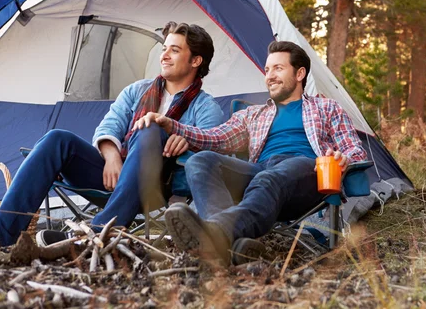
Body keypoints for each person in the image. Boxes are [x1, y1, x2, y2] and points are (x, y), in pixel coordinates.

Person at [134, 40, 367, 265]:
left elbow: (355, 149)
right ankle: (226, 244)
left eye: (278, 68)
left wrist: (343, 158)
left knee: (269, 176)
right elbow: (216, 137)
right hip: (261, 176)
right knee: (201, 161)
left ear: (299, 74)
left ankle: (217, 233)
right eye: (267, 69)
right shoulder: (253, 114)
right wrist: (171, 124)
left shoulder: (326, 107)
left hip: (307, 173)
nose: (269, 76)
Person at [0, 21, 224, 247]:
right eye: (164, 48)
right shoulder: (137, 90)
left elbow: (211, 154)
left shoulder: (205, 108)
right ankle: (3, 233)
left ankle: (98, 233)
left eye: (174, 50)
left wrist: (186, 140)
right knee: (56, 139)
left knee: (151, 127)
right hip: (112, 176)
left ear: (196, 60)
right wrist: (111, 155)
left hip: (156, 185)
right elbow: (109, 126)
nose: (164, 55)